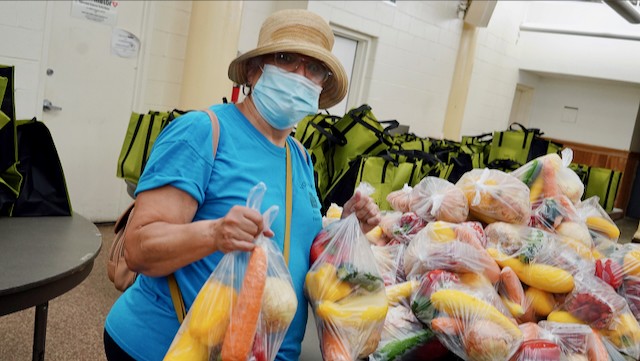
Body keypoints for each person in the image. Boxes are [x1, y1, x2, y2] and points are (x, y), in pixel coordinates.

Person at [104, 9, 381, 361]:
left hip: (254, 351)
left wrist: (347, 228)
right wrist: (214, 234)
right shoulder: (203, 131)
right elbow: (139, 247)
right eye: (285, 59)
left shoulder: (300, 157)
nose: (300, 75)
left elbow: (293, 246)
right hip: (170, 346)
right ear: (254, 70)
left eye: (314, 68)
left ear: (321, 85)